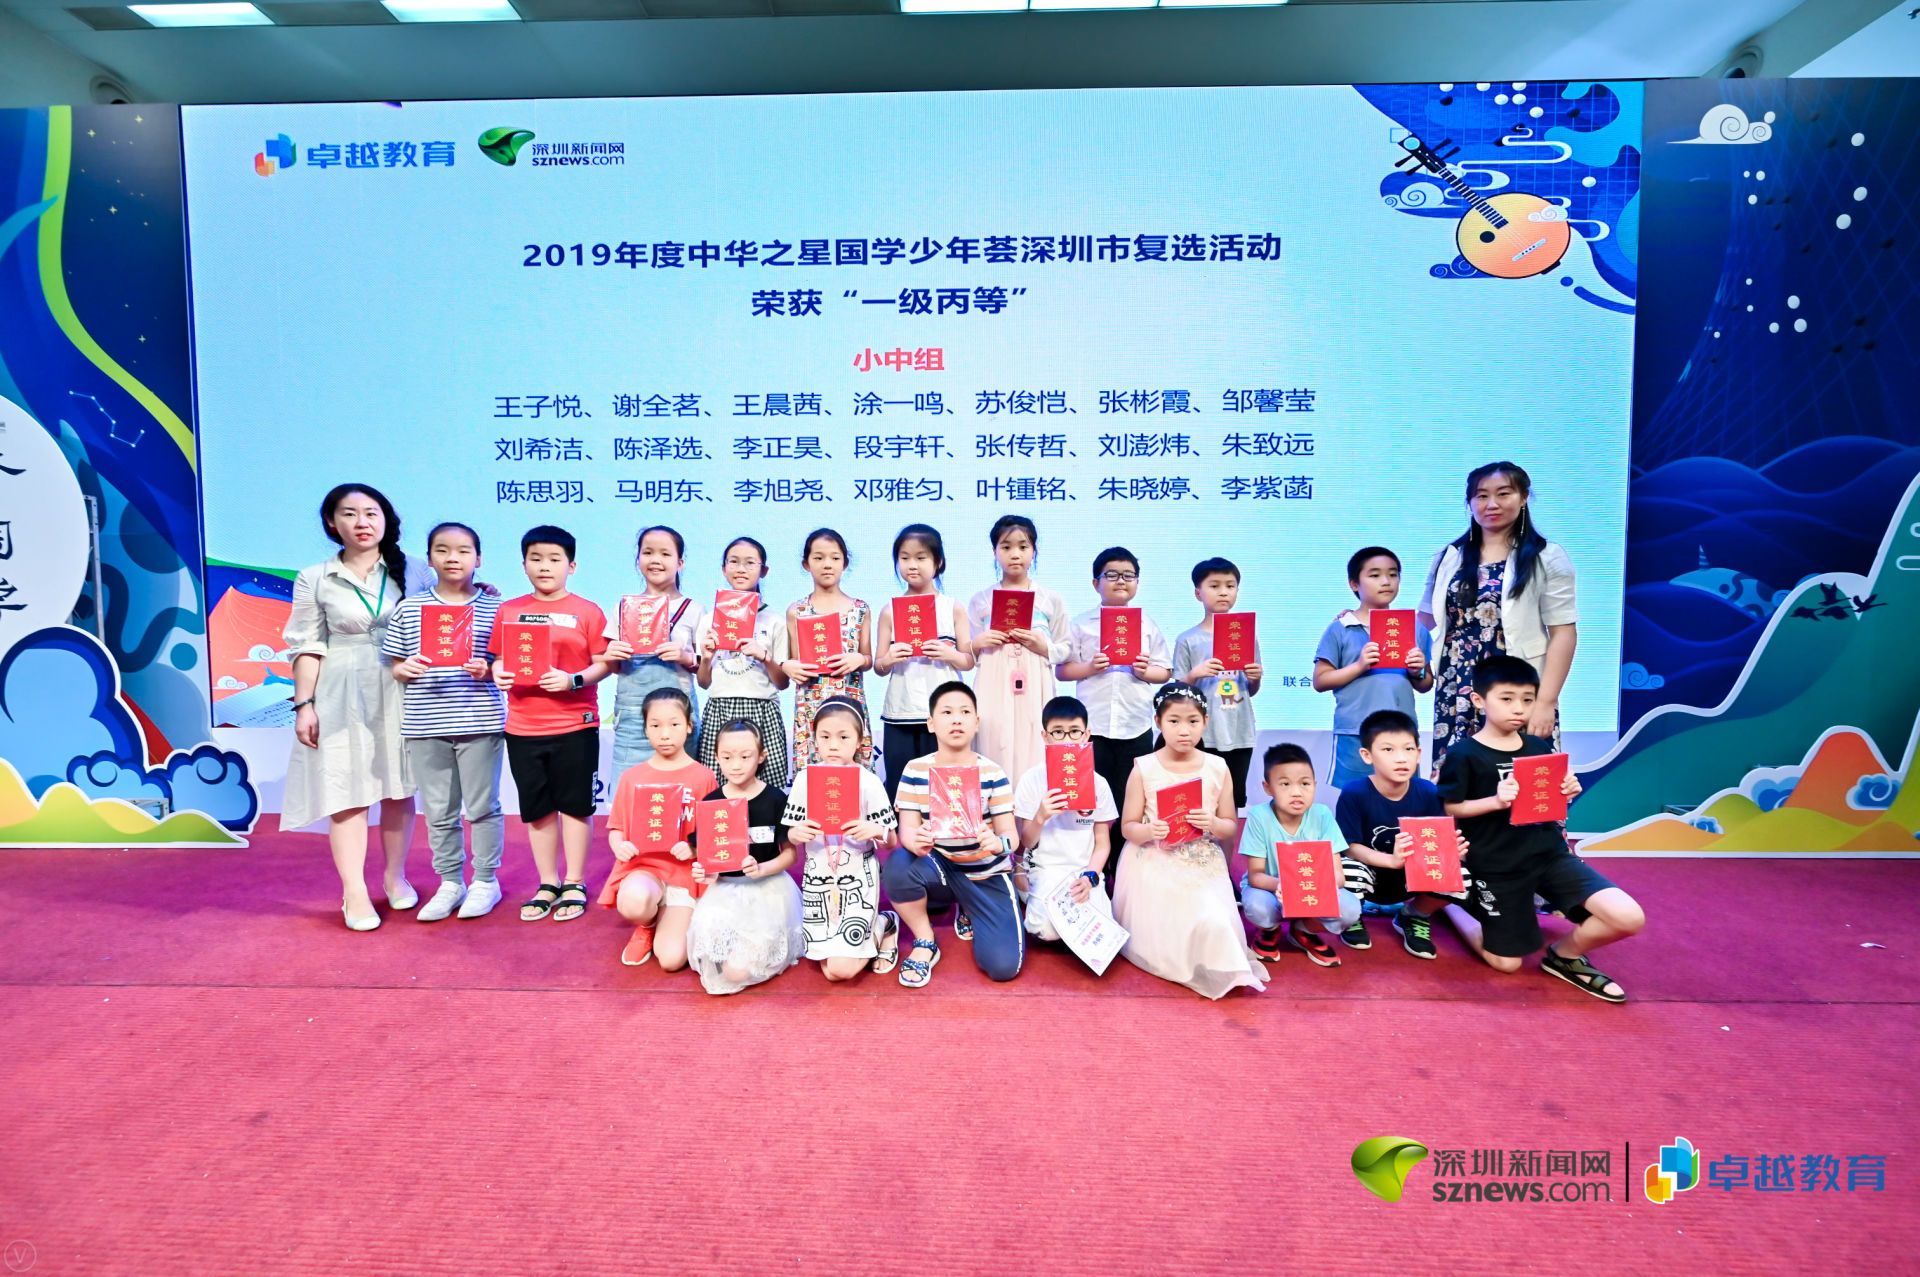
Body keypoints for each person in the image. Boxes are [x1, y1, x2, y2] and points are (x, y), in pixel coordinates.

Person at [1438, 655, 1645, 1002]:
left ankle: (1564, 956)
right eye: (1506, 698)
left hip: (1549, 857)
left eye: (1527, 699)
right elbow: (1450, 807)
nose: (1518, 708)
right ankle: (1453, 907)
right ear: (1479, 700)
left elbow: (1545, 801)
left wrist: (1567, 791)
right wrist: (1495, 801)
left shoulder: (1539, 746)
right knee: (1506, 963)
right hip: (1497, 866)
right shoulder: (1464, 754)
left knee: (1628, 917)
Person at [283, 483, 433, 931]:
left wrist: (478, 591)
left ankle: (395, 876)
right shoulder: (315, 577)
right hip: (342, 690)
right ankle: (353, 891)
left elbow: (445, 613)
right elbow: (307, 645)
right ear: (332, 523)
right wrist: (304, 705)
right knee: (345, 792)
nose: (362, 522)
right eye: (349, 514)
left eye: (371, 513)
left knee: (399, 787)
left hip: (403, 684)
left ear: (386, 519)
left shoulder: (417, 570)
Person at [379, 521, 507, 922]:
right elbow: (394, 663)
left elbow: (507, 663)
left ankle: (485, 880)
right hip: (426, 724)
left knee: (483, 807)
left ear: (478, 559)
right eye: (443, 550)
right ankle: (451, 882)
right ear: (429, 558)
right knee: (438, 811)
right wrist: (404, 668)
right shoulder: (410, 608)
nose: (453, 558)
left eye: (464, 551)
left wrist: (488, 669)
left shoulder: (495, 608)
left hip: (480, 721)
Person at [487, 525, 613, 924]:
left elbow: (605, 663)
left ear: (571, 566)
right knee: (537, 809)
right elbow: (498, 658)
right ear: (524, 564)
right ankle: (548, 882)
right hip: (523, 726)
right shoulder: (509, 610)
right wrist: (498, 671)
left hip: (576, 723)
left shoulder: (588, 611)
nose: (545, 566)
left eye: (555, 559)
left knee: (576, 807)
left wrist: (572, 680)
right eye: (536, 559)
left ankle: (574, 881)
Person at [1418, 460, 1578, 772]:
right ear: (1469, 502)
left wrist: (1545, 702)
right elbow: (1424, 620)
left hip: (1517, 687)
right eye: (1481, 496)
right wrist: (1366, 618)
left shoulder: (1547, 557)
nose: (1492, 504)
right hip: (1457, 684)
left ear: (1523, 498)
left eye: (1503, 494)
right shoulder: (1448, 557)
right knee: (1459, 780)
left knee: (1524, 778)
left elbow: (1563, 633)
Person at [1112, 683, 1268, 1000]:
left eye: (1193, 721)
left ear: (1205, 722)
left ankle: (1224, 964)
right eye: (1174, 721)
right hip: (1153, 856)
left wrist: (1213, 824)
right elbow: (1128, 827)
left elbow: (1229, 826)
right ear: (1158, 722)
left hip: (1200, 855)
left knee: (1215, 920)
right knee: (1183, 918)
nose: (1184, 730)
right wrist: (1150, 831)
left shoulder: (1217, 767)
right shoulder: (1144, 768)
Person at [886, 681, 1023, 988]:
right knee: (898, 865)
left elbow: (1010, 836)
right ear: (931, 723)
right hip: (939, 868)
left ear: (977, 721)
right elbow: (906, 829)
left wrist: (997, 843)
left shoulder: (993, 773)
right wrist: (915, 841)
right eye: (947, 712)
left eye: (965, 712)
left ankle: (969, 908)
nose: (957, 719)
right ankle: (925, 939)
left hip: (986, 873)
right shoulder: (915, 770)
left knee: (1003, 967)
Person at [1055, 546, 1171, 886]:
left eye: (1128, 575)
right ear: (1096, 583)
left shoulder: (1148, 625)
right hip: (1093, 728)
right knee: (1091, 800)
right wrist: (1090, 667)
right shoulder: (1081, 624)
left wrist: (1145, 672)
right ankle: (1093, 866)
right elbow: (1063, 670)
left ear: (1137, 583)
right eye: (1112, 575)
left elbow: (1165, 671)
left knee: (1129, 800)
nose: (1121, 581)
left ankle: (1123, 870)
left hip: (1135, 725)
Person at [1332, 710, 1471, 959]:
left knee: (1461, 876)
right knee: (1345, 869)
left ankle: (1414, 914)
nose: (1401, 758)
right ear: (1366, 755)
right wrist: (1390, 860)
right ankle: (1353, 915)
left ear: (1418, 753)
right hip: (1370, 875)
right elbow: (1349, 847)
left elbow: (1436, 843)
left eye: (1408, 749)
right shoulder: (1354, 793)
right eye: (1388, 750)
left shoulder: (1428, 792)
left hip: (1411, 878)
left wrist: (1450, 854)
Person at [685, 719, 804, 995]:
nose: (735, 765)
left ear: (761, 756)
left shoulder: (775, 799)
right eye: (727, 757)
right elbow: (707, 857)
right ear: (716, 757)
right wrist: (705, 871)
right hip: (724, 892)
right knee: (712, 953)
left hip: (768, 891)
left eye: (745, 756)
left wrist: (762, 868)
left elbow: (790, 855)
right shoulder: (712, 802)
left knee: (735, 972)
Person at [600, 687, 717, 968]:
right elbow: (616, 828)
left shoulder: (704, 777)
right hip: (644, 870)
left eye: (674, 725)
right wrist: (620, 845)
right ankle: (647, 924)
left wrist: (693, 848)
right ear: (645, 729)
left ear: (689, 726)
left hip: (684, 875)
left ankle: (671, 914)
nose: (665, 734)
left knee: (671, 960)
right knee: (634, 902)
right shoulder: (632, 777)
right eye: (655, 726)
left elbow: (713, 835)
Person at [785, 698, 900, 981]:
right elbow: (790, 835)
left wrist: (875, 830)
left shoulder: (869, 781)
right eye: (825, 737)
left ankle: (885, 923)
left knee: (838, 971)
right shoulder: (804, 779)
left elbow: (892, 841)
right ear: (814, 739)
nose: (833, 745)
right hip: (818, 878)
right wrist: (796, 834)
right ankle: (867, 935)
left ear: (859, 741)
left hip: (858, 877)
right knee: (828, 968)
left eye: (843, 737)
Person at [1313, 547, 1434, 792]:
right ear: (1354, 584)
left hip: (1402, 732)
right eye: (1375, 575)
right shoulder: (1341, 628)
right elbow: (1320, 680)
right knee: (1357, 795)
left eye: (1393, 574)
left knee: (1403, 796)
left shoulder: (1414, 628)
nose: (1386, 581)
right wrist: (1359, 666)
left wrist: (1418, 670)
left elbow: (1425, 684)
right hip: (1355, 731)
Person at [874, 523, 975, 799]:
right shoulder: (889, 610)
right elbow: (878, 666)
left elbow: (968, 660)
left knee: (945, 786)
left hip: (944, 712)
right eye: (904, 557)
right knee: (901, 786)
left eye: (921, 557)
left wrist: (948, 653)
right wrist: (889, 658)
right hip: (901, 711)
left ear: (937, 562)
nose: (912, 565)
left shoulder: (953, 607)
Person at [967, 516, 1071, 784]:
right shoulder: (981, 600)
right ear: (994, 551)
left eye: (1023, 547)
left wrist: (1043, 646)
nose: (1015, 554)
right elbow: (966, 653)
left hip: (1035, 680)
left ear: (1034, 551)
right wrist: (979, 643)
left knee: (1034, 739)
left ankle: (1032, 806)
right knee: (993, 737)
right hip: (993, 680)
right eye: (1006, 547)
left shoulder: (1050, 598)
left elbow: (1066, 648)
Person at [1237, 743, 1360, 967]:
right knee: (1258, 907)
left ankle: (1304, 930)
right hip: (1272, 889)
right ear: (1268, 787)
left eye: (1305, 783)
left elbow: (1338, 876)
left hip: (1314, 890)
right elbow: (1255, 876)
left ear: (1314, 785)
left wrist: (1312, 889)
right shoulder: (1258, 816)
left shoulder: (1322, 815)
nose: (1297, 792)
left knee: (1350, 909)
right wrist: (1284, 886)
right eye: (1285, 784)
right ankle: (1270, 930)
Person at [1013, 696, 1119, 946]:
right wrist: (1041, 815)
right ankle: (1029, 895)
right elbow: (1026, 841)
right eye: (1058, 732)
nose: (1067, 739)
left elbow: (1102, 842)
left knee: (1104, 932)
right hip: (1046, 869)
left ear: (1087, 735)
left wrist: (1091, 876)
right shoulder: (1031, 779)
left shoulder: (1099, 783)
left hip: (1084, 870)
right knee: (1045, 930)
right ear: (1045, 736)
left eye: (1074, 732)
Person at [601, 525, 703, 779]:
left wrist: (685, 657)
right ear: (638, 560)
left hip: (677, 716)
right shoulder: (623, 607)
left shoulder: (693, 609)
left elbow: (705, 672)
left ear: (680, 563)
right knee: (629, 789)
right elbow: (613, 667)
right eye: (648, 553)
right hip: (633, 717)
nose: (656, 560)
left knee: (681, 790)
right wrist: (612, 656)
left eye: (665, 554)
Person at [693, 536, 791, 789]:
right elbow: (703, 683)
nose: (741, 569)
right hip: (720, 707)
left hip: (763, 707)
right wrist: (706, 658)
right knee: (718, 789)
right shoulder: (709, 620)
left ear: (763, 570)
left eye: (750, 563)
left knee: (767, 787)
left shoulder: (775, 621)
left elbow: (783, 683)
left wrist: (764, 656)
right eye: (734, 562)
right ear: (724, 568)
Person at [1172, 557, 1263, 812]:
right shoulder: (1188, 639)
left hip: (1239, 729)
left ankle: (1226, 840)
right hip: (1202, 732)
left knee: (1232, 801)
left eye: (1230, 586)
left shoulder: (1247, 635)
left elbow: (1251, 691)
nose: (1223, 592)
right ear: (1198, 593)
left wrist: (1255, 678)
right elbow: (1176, 691)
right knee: (1199, 800)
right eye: (1214, 586)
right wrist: (1194, 675)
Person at [780, 528, 875, 771]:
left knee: (853, 774)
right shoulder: (796, 611)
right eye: (818, 557)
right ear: (806, 564)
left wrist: (859, 659)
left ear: (845, 563)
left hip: (849, 700)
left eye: (835, 557)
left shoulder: (860, 609)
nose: (827, 564)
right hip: (811, 703)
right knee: (814, 775)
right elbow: (793, 660)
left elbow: (868, 658)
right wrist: (789, 666)